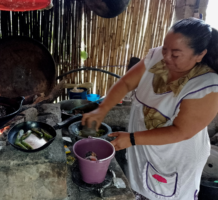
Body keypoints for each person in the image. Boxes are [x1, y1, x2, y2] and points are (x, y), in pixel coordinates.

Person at [82, 18, 218, 200]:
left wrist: (131, 138)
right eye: (165, 49)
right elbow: (126, 82)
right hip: (143, 147)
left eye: (176, 54)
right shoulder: (156, 58)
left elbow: (181, 132)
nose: (166, 57)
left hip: (175, 158)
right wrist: (102, 108)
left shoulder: (207, 87)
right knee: (140, 189)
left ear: (200, 54)